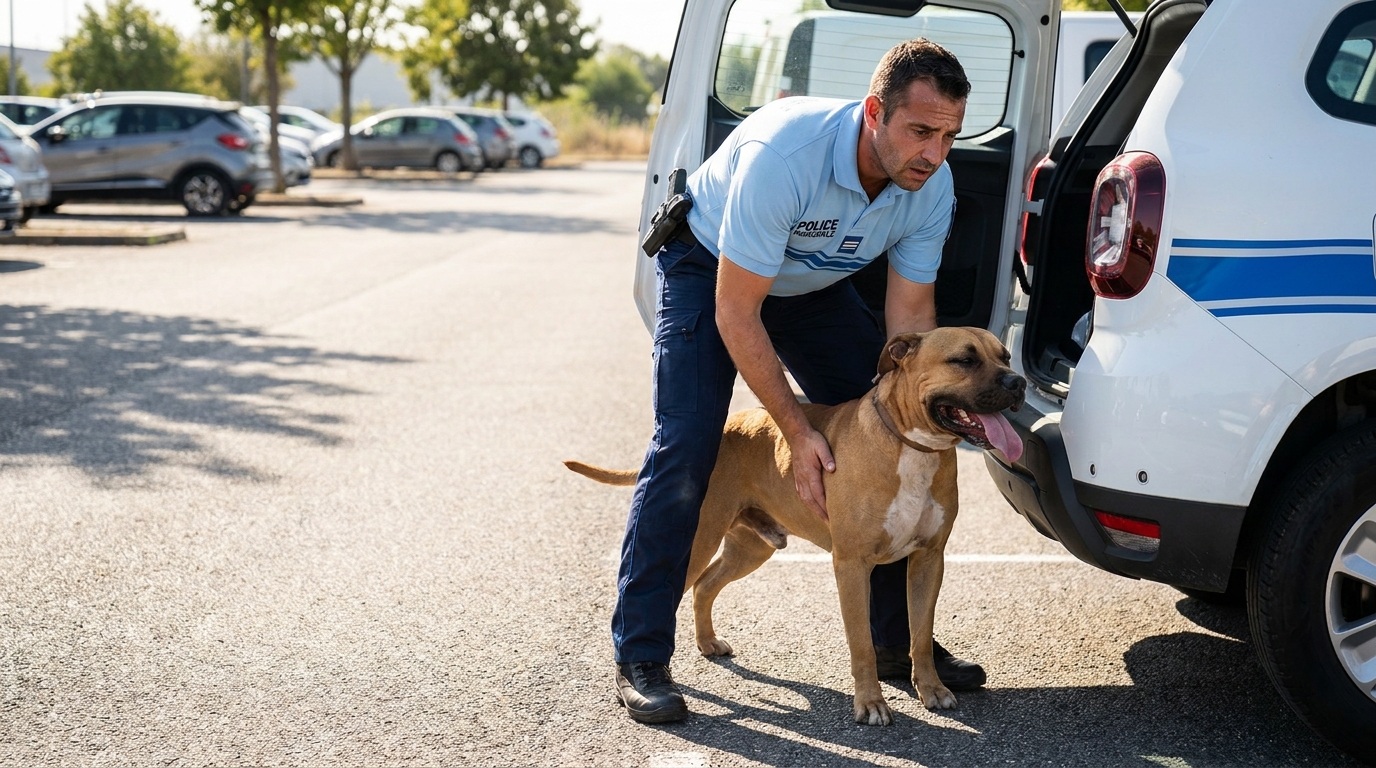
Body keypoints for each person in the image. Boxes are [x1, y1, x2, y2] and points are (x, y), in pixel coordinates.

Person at [613, 38, 986, 724]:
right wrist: (795, 432)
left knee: (874, 429)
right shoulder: (784, 158)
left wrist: (928, 409)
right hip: (712, 270)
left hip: (812, 285)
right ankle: (641, 653)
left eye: (950, 136)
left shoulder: (931, 184)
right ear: (875, 112)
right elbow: (738, 311)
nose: (935, 153)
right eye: (921, 131)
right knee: (689, 445)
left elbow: (910, 322)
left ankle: (901, 649)